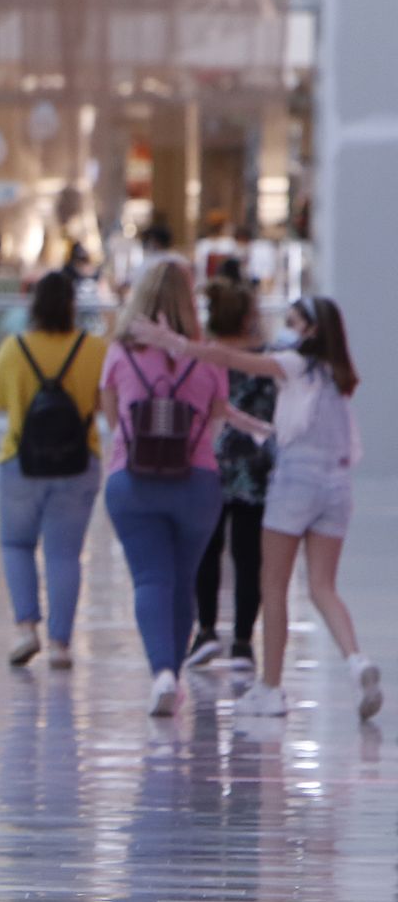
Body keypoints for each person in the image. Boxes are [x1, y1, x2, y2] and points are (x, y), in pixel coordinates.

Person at [132, 295, 380, 721]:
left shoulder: (296, 366)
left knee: (274, 585)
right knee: (323, 587)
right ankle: (356, 661)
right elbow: (298, 429)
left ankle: (270, 688)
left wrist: (172, 342)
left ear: (312, 331)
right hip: (337, 488)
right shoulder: (339, 379)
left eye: (293, 322)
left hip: (295, 486)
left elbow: (229, 357)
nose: (285, 332)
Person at [99, 257, 229, 716]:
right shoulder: (208, 357)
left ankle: (163, 674)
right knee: (183, 580)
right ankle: (171, 673)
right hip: (197, 482)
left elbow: (114, 421)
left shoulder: (121, 354)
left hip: (132, 481)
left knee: (151, 578)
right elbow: (216, 423)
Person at [0, 271, 109, 670]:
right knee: (65, 554)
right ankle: (61, 643)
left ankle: (26, 629)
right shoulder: (94, 349)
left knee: (16, 545)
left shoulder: (14, 348)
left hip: (21, 461)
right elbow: (107, 404)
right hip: (79, 462)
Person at [186, 279, 276, 672]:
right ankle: (242, 640)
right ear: (248, 317)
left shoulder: (202, 358)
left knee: (206, 550)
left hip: (207, 462)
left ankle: (205, 629)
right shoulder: (264, 362)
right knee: (247, 556)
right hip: (255, 468)